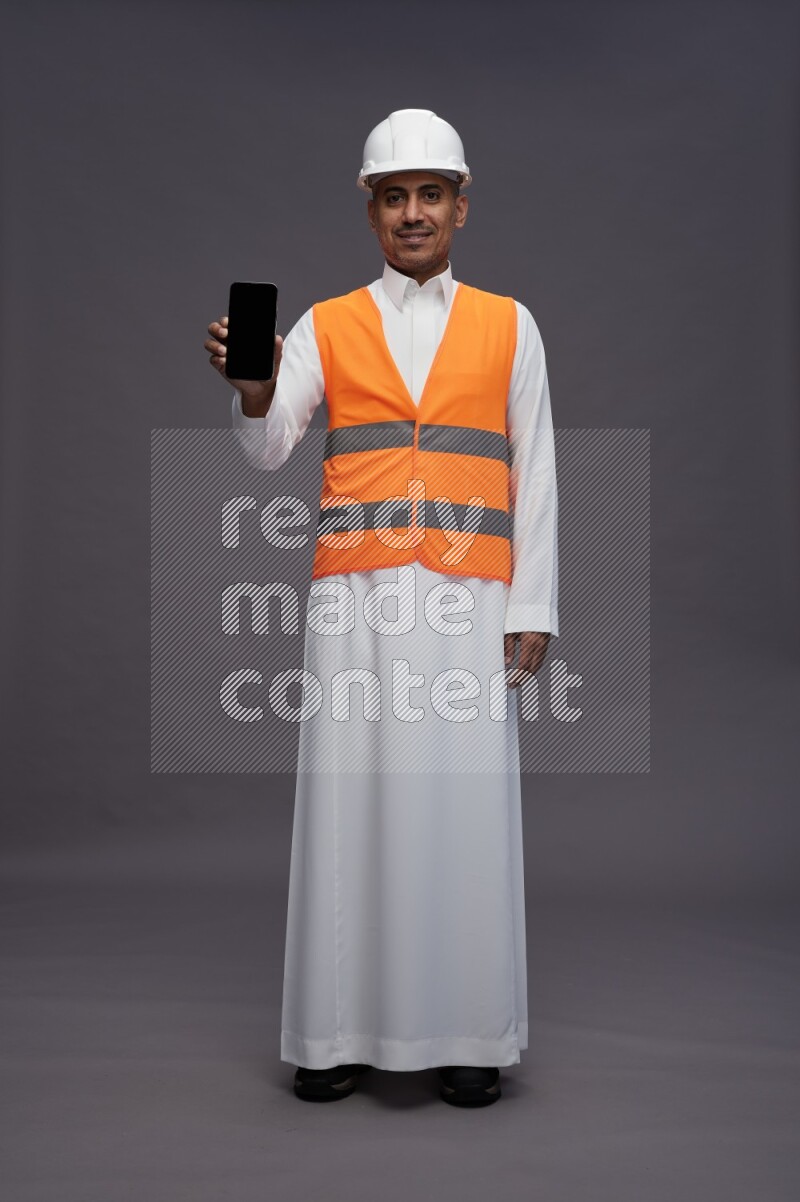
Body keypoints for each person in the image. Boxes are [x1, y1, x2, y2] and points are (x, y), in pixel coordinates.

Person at [204, 108, 559, 1107]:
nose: (412, 213)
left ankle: (467, 1035)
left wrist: (531, 605)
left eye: (429, 194)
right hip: (353, 600)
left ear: (459, 204)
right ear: (370, 210)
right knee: (346, 804)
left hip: (468, 599)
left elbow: (534, 471)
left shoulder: (509, 323)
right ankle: (332, 1032)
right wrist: (253, 386)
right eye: (393, 196)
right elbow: (271, 445)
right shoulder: (323, 323)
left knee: (463, 808)